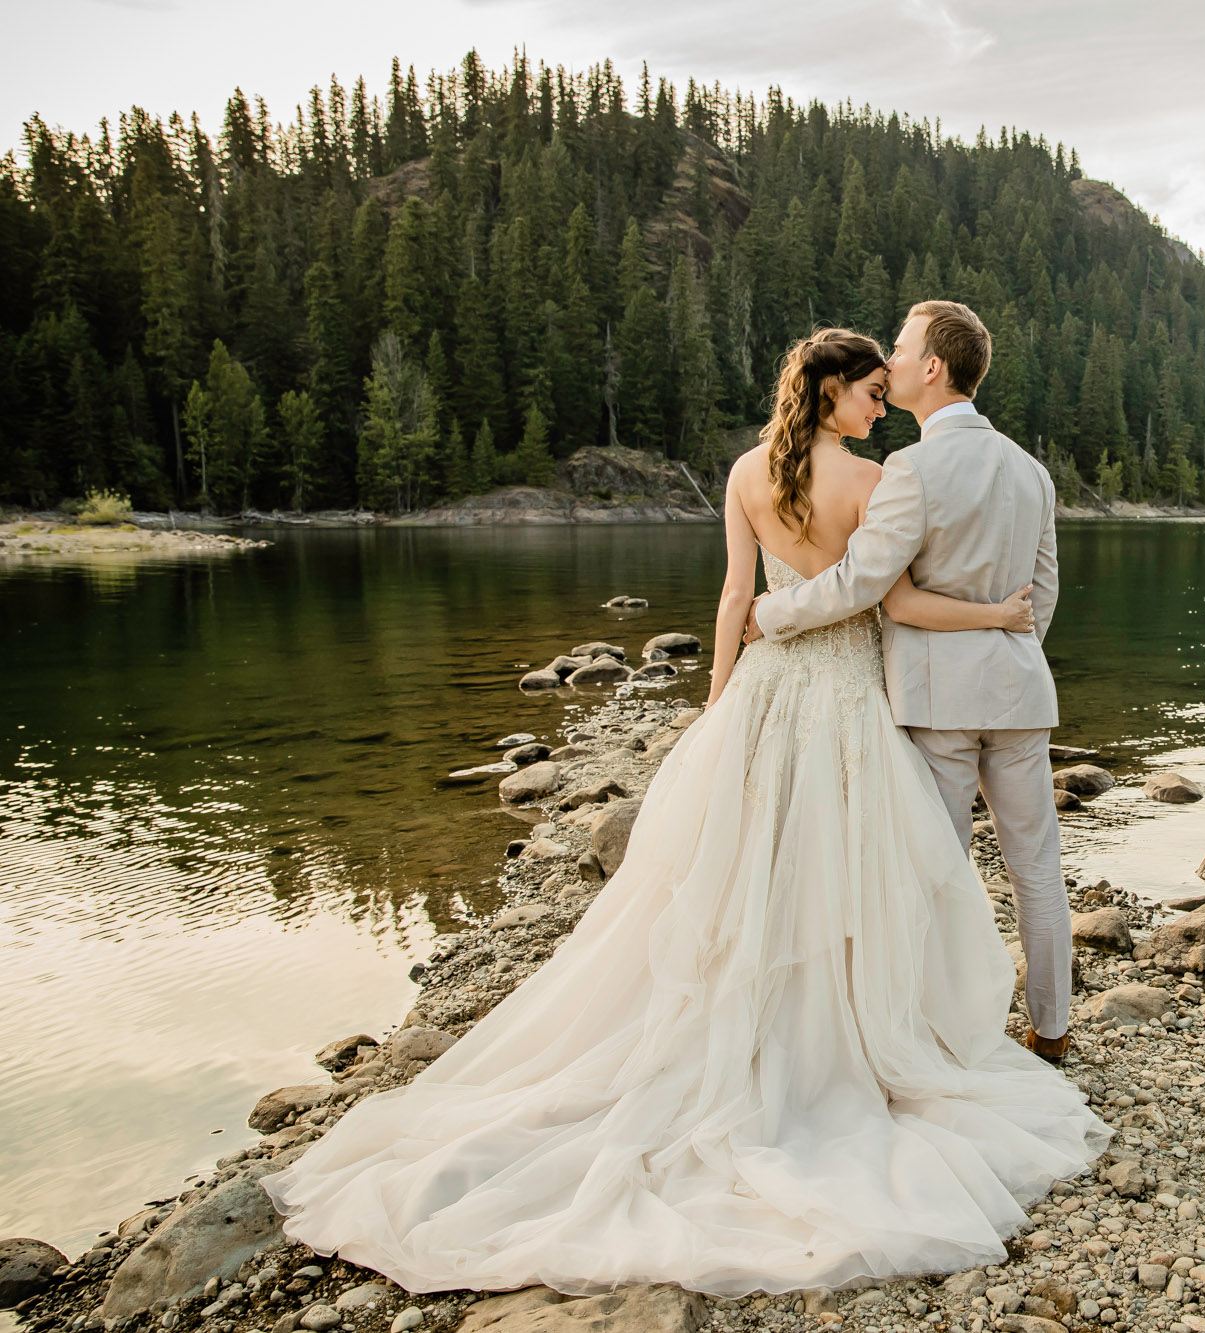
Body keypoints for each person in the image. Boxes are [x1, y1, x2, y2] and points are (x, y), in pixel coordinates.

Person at [259, 327, 1111, 1300]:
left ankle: (798, 1022)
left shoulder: (753, 471)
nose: (880, 404)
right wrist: (1005, 633)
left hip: (772, 693)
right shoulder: (902, 482)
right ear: (835, 394)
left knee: (769, 867)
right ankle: (1000, 1027)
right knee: (897, 869)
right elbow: (893, 596)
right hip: (881, 698)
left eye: (891, 385)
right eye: (868, 392)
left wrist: (721, 695)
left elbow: (737, 595)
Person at [744, 300, 1073, 1063]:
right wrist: (1010, 657)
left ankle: (941, 1030)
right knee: (1037, 868)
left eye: (899, 347)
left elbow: (862, 580)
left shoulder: (911, 469)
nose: (887, 362)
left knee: (936, 869)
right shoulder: (1031, 471)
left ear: (933, 366)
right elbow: (1043, 593)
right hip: (1021, 693)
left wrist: (777, 610)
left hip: (936, 701)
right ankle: (1051, 1032)